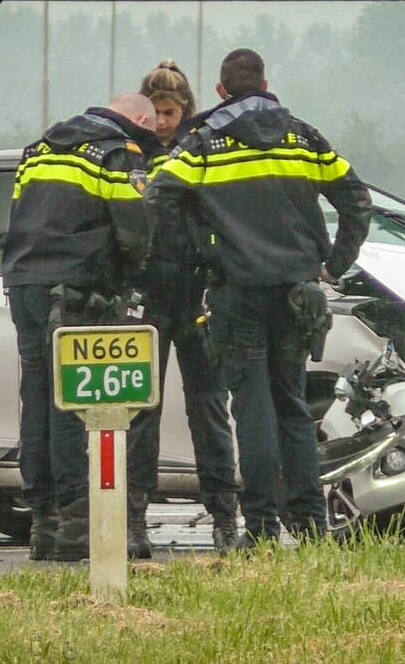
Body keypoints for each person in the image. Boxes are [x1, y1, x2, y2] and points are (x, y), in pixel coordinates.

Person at [144, 49, 373, 549]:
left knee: (252, 408)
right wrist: (333, 264)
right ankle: (311, 522)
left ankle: (264, 526)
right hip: (299, 294)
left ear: (223, 91)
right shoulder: (304, 137)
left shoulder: (206, 143)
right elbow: (356, 200)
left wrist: (206, 244)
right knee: (291, 404)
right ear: (266, 83)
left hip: (236, 291)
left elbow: (159, 196)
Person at [3, 93, 158, 561]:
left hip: (26, 286)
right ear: (139, 120)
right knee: (71, 404)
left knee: (36, 403)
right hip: (76, 290)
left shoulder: (39, 150)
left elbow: (18, 214)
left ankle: (44, 525)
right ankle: (74, 527)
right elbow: (133, 228)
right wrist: (131, 276)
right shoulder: (118, 153)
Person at [123, 61, 240, 559]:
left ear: (186, 111)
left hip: (196, 292)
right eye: (156, 113)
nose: (164, 122)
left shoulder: (205, 152)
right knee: (139, 411)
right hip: (147, 294)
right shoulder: (127, 153)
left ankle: (224, 518)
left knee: (210, 410)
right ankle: (132, 521)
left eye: (171, 112)